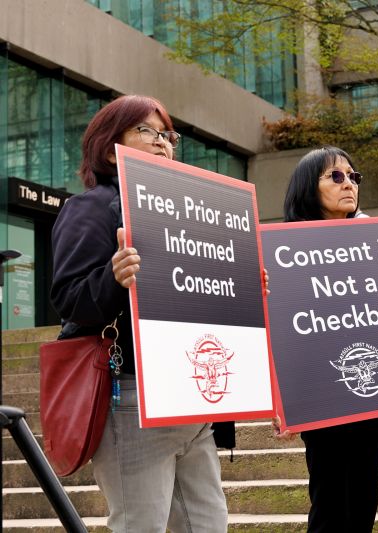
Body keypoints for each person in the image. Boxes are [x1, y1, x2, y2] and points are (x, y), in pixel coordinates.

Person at [50, 95, 228, 532]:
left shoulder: (194, 217)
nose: (163, 142)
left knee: (210, 524)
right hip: (132, 399)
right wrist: (113, 279)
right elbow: (69, 297)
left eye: (168, 134)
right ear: (111, 149)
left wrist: (240, 286)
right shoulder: (93, 207)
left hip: (192, 403)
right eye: (146, 131)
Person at [278, 146, 378, 533]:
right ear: (309, 188)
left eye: (353, 176)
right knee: (329, 501)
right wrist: (282, 398)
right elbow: (285, 329)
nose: (348, 184)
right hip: (320, 389)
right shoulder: (285, 250)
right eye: (336, 177)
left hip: (371, 382)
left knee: (363, 499)